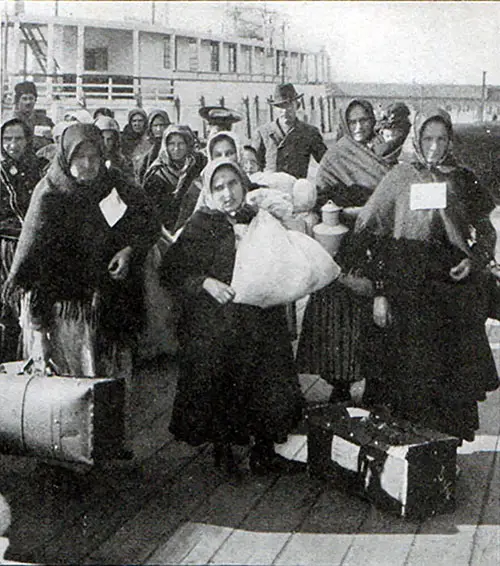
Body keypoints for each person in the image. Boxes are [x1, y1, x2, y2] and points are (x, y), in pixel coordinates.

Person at [2, 123, 159, 453]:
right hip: (64, 315)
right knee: (68, 389)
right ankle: (65, 456)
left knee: (111, 379)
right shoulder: (51, 196)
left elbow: (148, 222)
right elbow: (33, 270)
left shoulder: (113, 185)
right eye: (79, 156)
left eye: (93, 156)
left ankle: (107, 445)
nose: (87, 164)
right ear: (65, 156)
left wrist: (129, 250)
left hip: (109, 307)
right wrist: (40, 330)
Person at [353, 107, 499, 441]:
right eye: (427, 138)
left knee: (450, 380)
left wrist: (474, 260)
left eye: (441, 139)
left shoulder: (461, 178)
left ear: (450, 140)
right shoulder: (399, 178)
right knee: (410, 378)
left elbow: (487, 231)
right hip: (407, 291)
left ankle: (444, 452)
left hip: (452, 292)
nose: (434, 147)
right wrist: (379, 291)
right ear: (417, 139)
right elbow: (368, 234)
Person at [163, 159, 304, 475]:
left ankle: (264, 450)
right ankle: (223, 450)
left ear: (244, 184)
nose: (227, 193)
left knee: (267, 381)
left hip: (260, 316)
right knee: (223, 382)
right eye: (218, 187)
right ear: (209, 192)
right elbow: (172, 271)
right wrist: (205, 283)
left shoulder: (259, 218)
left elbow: (281, 257)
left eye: (232, 184)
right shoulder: (200, 225)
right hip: (219, 321)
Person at [296, 99, 393, 403]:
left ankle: (376, 385)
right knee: (339, 318)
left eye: (365, 120)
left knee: (374, 312)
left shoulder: (385, 153)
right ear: (344, 124)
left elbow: (393, 196)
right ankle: (339, 385)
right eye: (352, 122)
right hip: (342, 242)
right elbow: (318, 198)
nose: (359, 127)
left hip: (376, 243)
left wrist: (370, 212)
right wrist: (346, 212)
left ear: (373, 120)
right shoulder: (335, 156)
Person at [1, 118, 48, 361]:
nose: (12, 145)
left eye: (18, 139)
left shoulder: (41, 168)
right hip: (7, 247)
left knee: (33, 308)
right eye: (7, 139)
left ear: (28, 140)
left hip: (38, 245)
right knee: (9, 306)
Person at [252, 83, 327, 179]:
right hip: (270, 190)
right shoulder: (263, 133)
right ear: (274, 109)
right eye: (280, 106)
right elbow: (253, 166)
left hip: (297, 190)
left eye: (289, 105)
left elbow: (326, 163)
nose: (285, 111)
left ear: (297, 105)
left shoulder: (309, 133)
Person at [174, 130, 242, 231]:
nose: (224, 158)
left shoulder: (251, 183)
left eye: (229, 153)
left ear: (239, 154)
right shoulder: (198, 187)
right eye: (218, 155)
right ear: (211, 157)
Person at [8, 81, 54, 152]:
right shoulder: (12, 122)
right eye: (24, 99)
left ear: (35, 100)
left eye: (31, 98)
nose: (28, 102)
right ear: (17, 101)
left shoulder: (45, 121)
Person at [94, 115, 135, 182]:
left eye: (109, 139)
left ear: (115, 141)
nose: (105, 143)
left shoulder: (123, 162)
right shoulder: (90, 161)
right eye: (102, 138)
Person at [136, 109, 171, 185]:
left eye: (162, 125)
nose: (158, 129)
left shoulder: (172, 144)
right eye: (155, 125)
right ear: (150, 127)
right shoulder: (145, 145)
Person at [121, 108, 151, 174]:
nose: (137, 124)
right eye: (134, 121)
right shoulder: (124, 139)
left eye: (140, 121)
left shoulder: (150, 139)